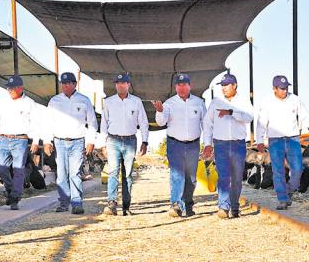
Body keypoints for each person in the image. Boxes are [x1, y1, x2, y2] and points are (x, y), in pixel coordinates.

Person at [256, 75, 309, 210]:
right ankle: (282, 199)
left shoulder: (294, 99)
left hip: (292, 139)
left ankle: (289, 190)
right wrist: (259, 140)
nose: (284, 91)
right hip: (275, 141)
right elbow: (261, 122)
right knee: (278, 171)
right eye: (281, 88)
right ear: (274, 88)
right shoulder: (266, 101)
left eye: (286, 88)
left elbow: (306, 117)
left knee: (297, 169)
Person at [0, 75, 40, 210]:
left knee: (18, 170)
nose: (10, 90)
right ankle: (12, 191)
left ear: (20, 88)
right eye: (8, 88)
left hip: (21, 140)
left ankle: (15, 197)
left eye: (12, 88)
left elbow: (36, 123)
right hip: (4, 139)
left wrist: (35, 140)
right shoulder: (3, 103)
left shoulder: (29, 103)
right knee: (1, 167)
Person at [43, 72, 98, 214]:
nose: (66, 86)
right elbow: (47, 123)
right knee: (61, 174)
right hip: (59, 142)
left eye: (69, 83)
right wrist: (47, 141)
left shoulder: (84, 100)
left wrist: (91, 141)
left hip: (77, 142)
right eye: (63, 83)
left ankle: (77, 203)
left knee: (74, 173)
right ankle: (63, 202)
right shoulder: (54, 101)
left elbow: (92, 122)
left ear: (75, 84)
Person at [153, 73, 206, 217]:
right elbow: (161, 122)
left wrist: (208, 144)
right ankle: (175, 204)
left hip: (193, 145)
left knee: (191, 178)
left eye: (184, 85)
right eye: (179, 85)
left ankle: (188, 204)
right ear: (175, 87)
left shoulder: (199, 103)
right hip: (175, 144)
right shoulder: (169, 103)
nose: (182, 88)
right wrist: (159, 111)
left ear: (190, 86)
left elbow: (205, 125)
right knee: (177, 175)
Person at [202, 74, 253, 219]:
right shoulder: (216, 102)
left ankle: (235, 206)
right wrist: (207, 144)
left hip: (238, 144)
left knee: (237, 178)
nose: (224, 88)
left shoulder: (243, 100)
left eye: (227, 85)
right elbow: (207, 123)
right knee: (223, 176)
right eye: (222, 85)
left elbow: (249, 117)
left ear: (235, 85)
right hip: (221, 144)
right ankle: (223, 207)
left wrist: (231, 112)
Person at [100, 73, 149, 216]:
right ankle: (112, 203)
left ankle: (126, 206)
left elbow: (143, 122)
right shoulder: (108, 102)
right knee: (113, 171)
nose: (120, 85)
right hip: (113, 140)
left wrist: (145, 141)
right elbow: (104, 123)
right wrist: (103, 144)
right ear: (115, 85)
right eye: (118, 83)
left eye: (123, 83)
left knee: (127, 174)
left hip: (130, 141)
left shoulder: (136, 101)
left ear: (128, 85)